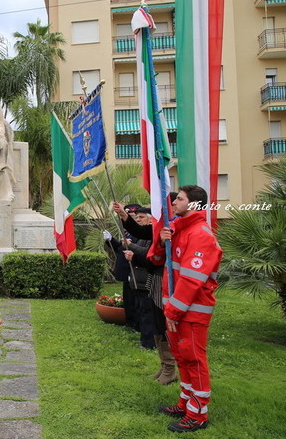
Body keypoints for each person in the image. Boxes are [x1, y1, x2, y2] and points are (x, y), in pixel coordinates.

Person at [155, 185, 222, 433]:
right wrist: (163, 243)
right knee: (183, 359)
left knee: (194, 359)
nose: (173, 202)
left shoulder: (201, 234)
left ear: (193, 204)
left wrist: (173, 310)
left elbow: (193, 279)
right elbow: (162, 263)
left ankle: (198, 414)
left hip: (191, 311)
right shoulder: (180, 231)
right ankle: (186, 403)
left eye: (179, 199)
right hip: (177, 309)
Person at [114, 195, 179, 385]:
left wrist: (135, 251)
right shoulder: (163, 227)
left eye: (176, 202)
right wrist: (125, 216)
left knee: (165, 326)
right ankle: (166, 366)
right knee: (158, 324)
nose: (172, 206)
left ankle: (171, 367)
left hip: (169, 281)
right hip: (156, 279)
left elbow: (151, 249)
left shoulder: (180, 227)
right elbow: (142, 232)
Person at [104, 203, 142, 330]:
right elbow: (120, 249)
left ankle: (136, 324)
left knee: (135, 300)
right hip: (126, 271)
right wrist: (110, 240)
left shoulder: (140, 231)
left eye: (133, 216)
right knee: (128, 299)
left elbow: (139, 250)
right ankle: (130, 322)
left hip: (135, 270)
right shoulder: (126, 231)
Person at [123, 207, 155, 350]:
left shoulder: (153, 234)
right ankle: (144, 339)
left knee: (148, 314)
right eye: (137, 217)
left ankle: (149, 343)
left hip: (147, 280)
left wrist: (131, 247)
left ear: (151, 219)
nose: (138, 220)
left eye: (141, 217)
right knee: (141, 311)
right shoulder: (143, 236)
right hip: (138, 278)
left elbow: (147, 254)